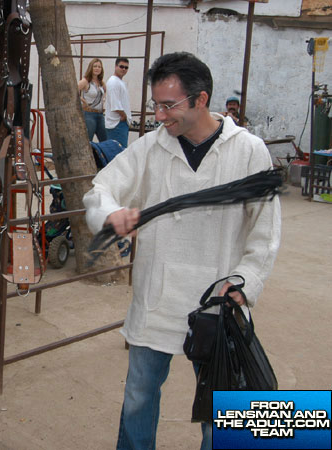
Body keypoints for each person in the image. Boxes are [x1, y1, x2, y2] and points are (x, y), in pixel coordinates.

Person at [83, 52, 281, 450]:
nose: (159, 115)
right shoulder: (152, 148)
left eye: (168, 105)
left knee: (219, 410)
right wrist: (111, 214)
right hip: (158, 300)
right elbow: (100, 189)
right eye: (155, 104)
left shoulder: (247, 151)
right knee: (139, 398)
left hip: (217, 302)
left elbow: (265, 230)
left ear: (200, 99)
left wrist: (246, 283)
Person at [78, 58, 108, 142]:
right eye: (95, 66)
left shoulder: (101, 82)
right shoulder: (85, 81)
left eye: (99, 67)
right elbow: (73, 92)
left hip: (100, 115)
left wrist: (104, 101)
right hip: (89, 114)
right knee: (88, 141)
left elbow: (106, 92)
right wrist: (83, 102)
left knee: (105, 140)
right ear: (91, 67)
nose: (97, 68)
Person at [104, 57, 132, 148]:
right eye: (121, 66)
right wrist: (123, 116)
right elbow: (115, 105)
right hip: (117, 124)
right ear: (115, 66)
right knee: (118, 153)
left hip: (120, 123)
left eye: (126, 67)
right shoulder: (113, 82)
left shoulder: (119, 82)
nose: (124, 69)